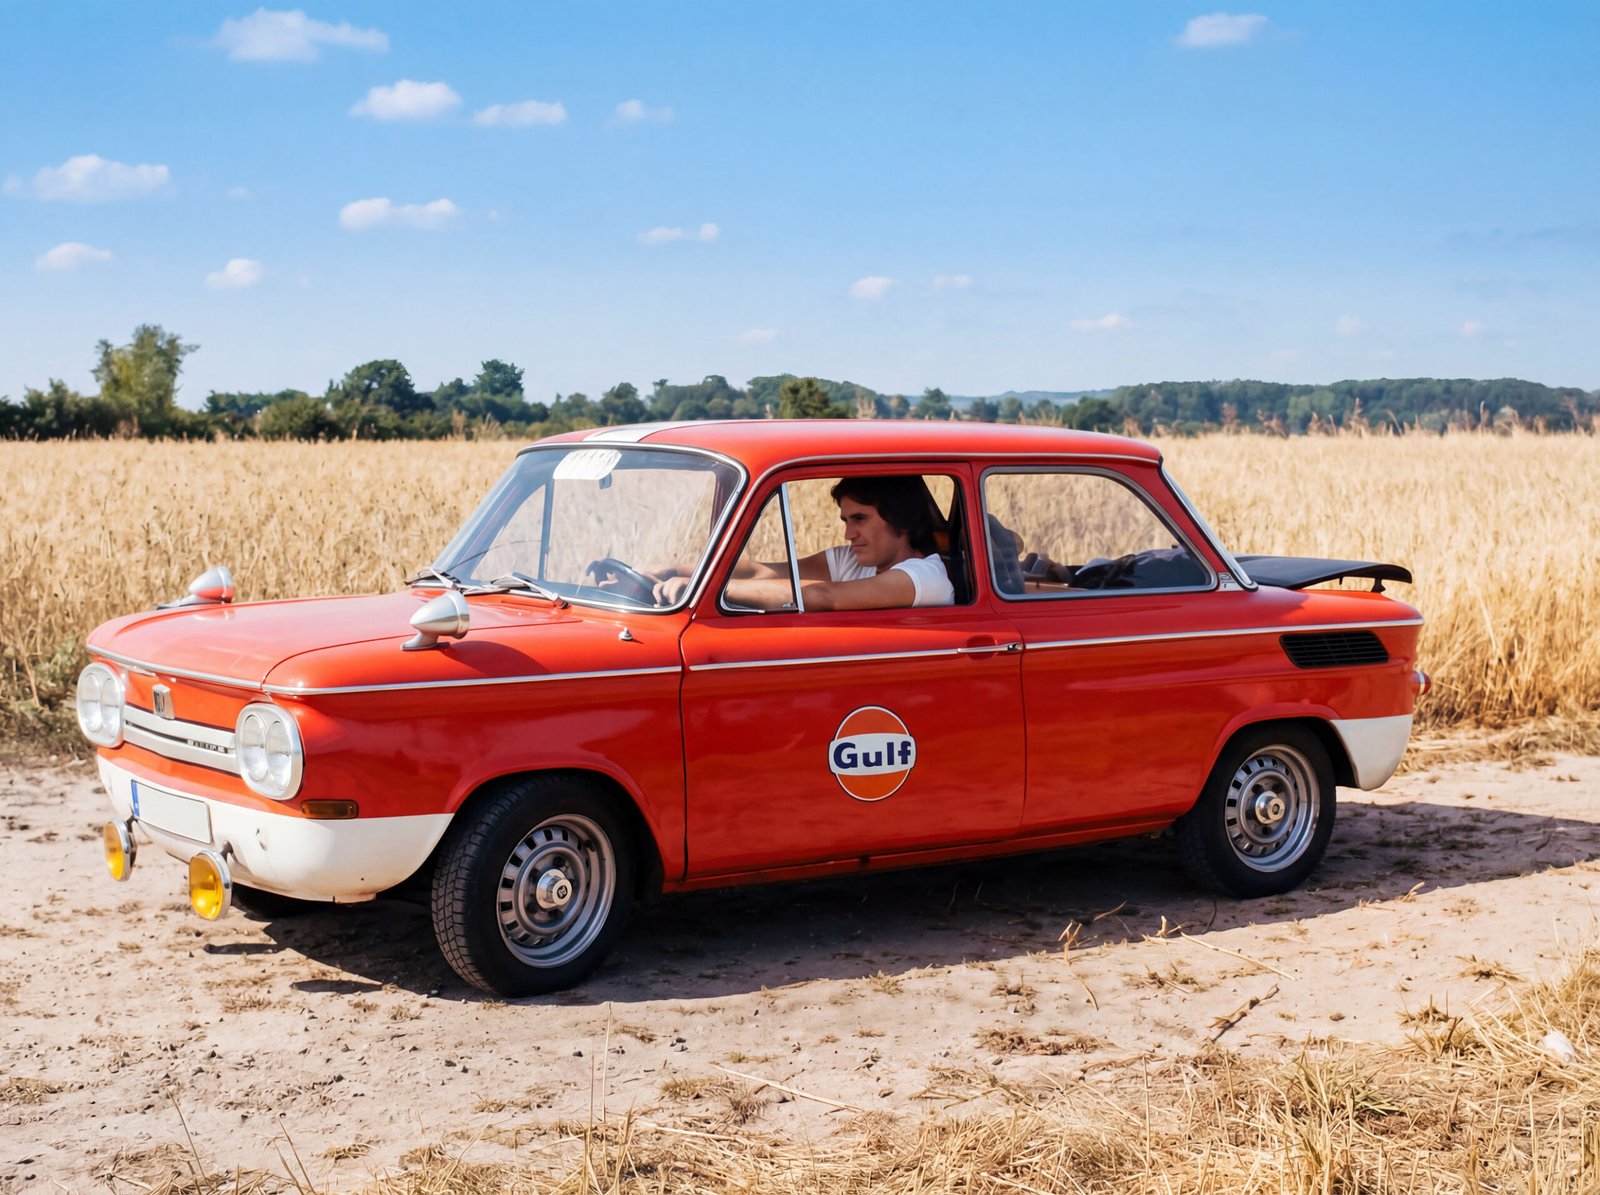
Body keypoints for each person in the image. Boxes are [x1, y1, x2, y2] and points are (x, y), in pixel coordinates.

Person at [651, 475, 955, 610]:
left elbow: (824, 597)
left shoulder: (924, 578)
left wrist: (710, 591)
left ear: (901, 520)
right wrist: (672, 571)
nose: (849, 534)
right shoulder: (851, 560)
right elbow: (762, 572)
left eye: (860, 519)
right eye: (845, 521)